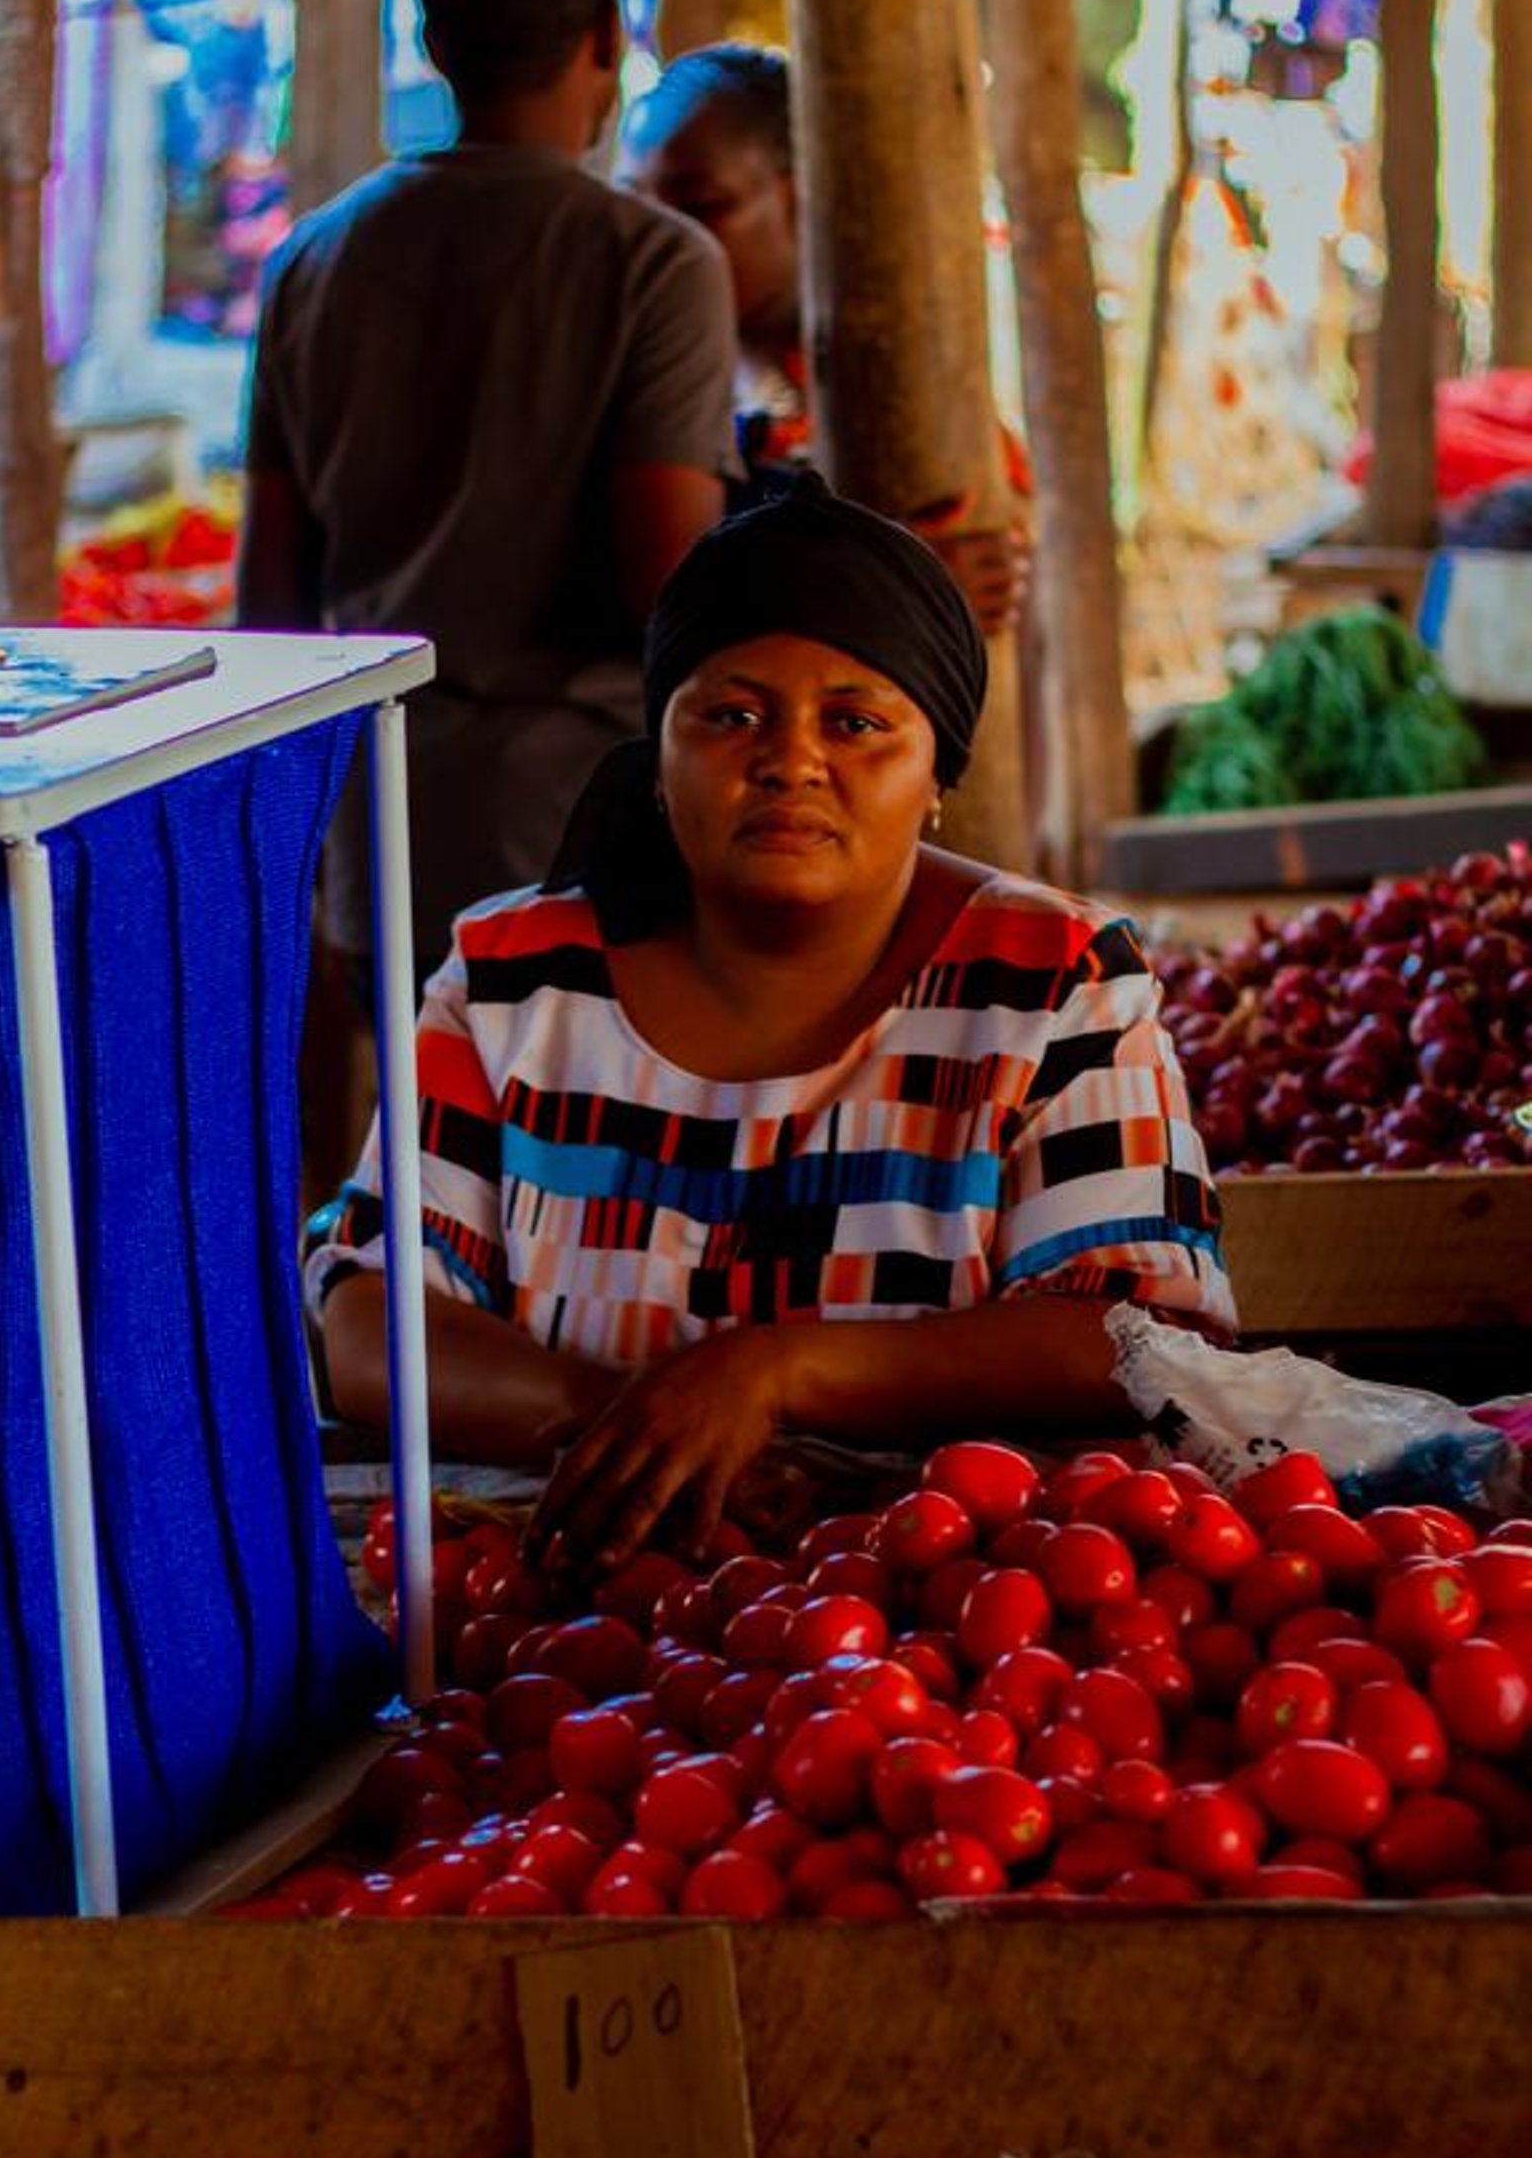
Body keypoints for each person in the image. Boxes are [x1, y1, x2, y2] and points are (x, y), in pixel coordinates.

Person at [309, 478, 1233, 1572]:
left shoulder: (1050, 983)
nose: (791, 759)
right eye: (732, 715)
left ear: (937, 769)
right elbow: (370, 1321)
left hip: (945, 1621)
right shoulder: (516, 982)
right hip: (578, 1601)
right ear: (658, 753)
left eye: (856, 723)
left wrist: (770, 1375)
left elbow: (1137, 1339)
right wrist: (644, 1429)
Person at [237, 0, 740, 979]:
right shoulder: (653, 265)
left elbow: (269, 604)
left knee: (425, 1141)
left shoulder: (310, 261)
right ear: (610, 35)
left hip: (383, 817)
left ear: (429, 36)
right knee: (568, 1143)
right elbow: (673, 587)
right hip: (578, 825)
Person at [615, 44, 1031, 636]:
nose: (660, 246)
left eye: (702, 207)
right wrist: (882, 586)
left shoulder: (894, 405)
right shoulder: (612, 367)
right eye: (633, 209)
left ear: (801, 198)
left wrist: (917, 591)